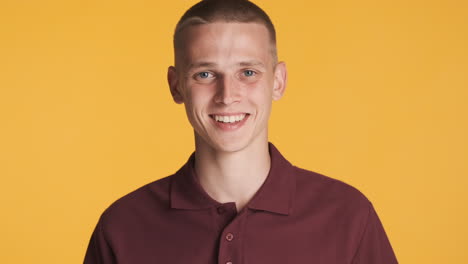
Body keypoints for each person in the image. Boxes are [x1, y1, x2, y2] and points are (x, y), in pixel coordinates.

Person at [84, 0, 398, 263]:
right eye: (205, 74)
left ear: (278, 81)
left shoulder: (347, 216)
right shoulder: (122, 226)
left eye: (248, 72)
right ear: (176, 85)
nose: (227, 95)